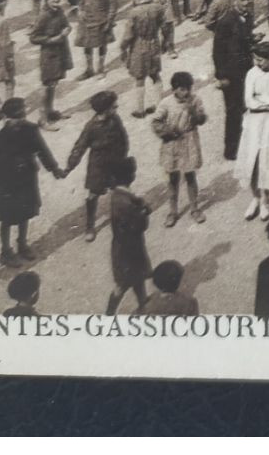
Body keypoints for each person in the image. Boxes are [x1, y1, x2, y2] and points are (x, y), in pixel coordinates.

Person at [0, 98, 63, 267]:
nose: (20, 119)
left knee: (26, 212)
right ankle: (5, 251)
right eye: (17, 116)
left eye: (22, 115)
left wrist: (54, 168)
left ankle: (22, 244)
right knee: (6, 218)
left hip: (27, 179)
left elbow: (42, 150)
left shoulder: (31, 130)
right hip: (7, 183)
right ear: (8, 117)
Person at [65, 90, 129, 243]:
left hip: (115, 160)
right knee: (93, 194)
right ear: (105, 109)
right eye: (114, 106)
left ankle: (120, 219)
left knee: (118, 191)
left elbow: (123, 137)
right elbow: (79, 147)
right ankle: (90, 225)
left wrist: (123, 155)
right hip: (98, 164)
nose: (116, 108)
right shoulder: (91, 127)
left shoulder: (115, 120)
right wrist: (70, 166)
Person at [237, 41, 269, 222]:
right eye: (255, 59)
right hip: (253, 122)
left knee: (267, 160)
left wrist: (261, 98)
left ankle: (265, 200)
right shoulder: (252, 73)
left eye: (261, 60)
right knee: (252, 160)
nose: (257, 63)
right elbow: (248, 101)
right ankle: (255, 198)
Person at [152, 71, 208, 226]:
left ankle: (195, 208)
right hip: (172, 144)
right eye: (183, 89)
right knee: (173, 178)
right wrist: (168, 131)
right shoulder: (166, 103)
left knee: (190, 175)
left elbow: (202, 119)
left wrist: (194, 113)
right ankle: (173, 211)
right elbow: (156, 122)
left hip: (189, 141)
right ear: (174, 89)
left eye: (189, 88)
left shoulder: (195, 100)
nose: (187, 92)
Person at [212, 0, 258, 161]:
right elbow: (217, 51)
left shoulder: (248, 17)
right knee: (233, 112)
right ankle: (231, 151)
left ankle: (246, 143)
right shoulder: (225, 22)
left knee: (246, 106)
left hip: (246, 71)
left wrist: (253, 40)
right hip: (230, 75)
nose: (247, 2)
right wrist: (221, 76)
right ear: (235, 1)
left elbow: (243, 41)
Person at [105, 157, 152, 314]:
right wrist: (144, 210)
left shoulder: (118, 196)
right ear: (130, 177)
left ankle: (142, 304)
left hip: (123, 248)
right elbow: (139, 225)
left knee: (134, 280)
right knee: (123, 284)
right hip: (129, 250)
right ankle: (110, 314)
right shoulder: (124, 202)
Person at [117, 0, 166, 118]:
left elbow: (128, 35)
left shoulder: (134, 12)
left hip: (139, 45)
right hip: (154, 43)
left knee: (140, 77)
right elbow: (165, 26)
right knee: (155, 74)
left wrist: (123, 49)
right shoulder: (158, 8)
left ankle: (139, 109)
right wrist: (165, 41)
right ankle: (159, 105)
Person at [27, 0, 73, 129]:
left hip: (60, 53)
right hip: (49, 55)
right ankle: (42, 119)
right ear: (46, 0)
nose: (57, 0)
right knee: (47, 86)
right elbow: (33, 37)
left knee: (54, 84)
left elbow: (67, 25)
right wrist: (52, 39)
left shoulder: (59, 10)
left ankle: (51, 111)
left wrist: (67, 29)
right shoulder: (43, 16)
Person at [73, 0, 116, 80]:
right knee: (86, 43)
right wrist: (80, 10)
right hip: (86, 19)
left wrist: (109, 21)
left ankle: (100, 68)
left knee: (102, 43)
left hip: (101, 20)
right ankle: (89, 69)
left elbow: (113, 5)